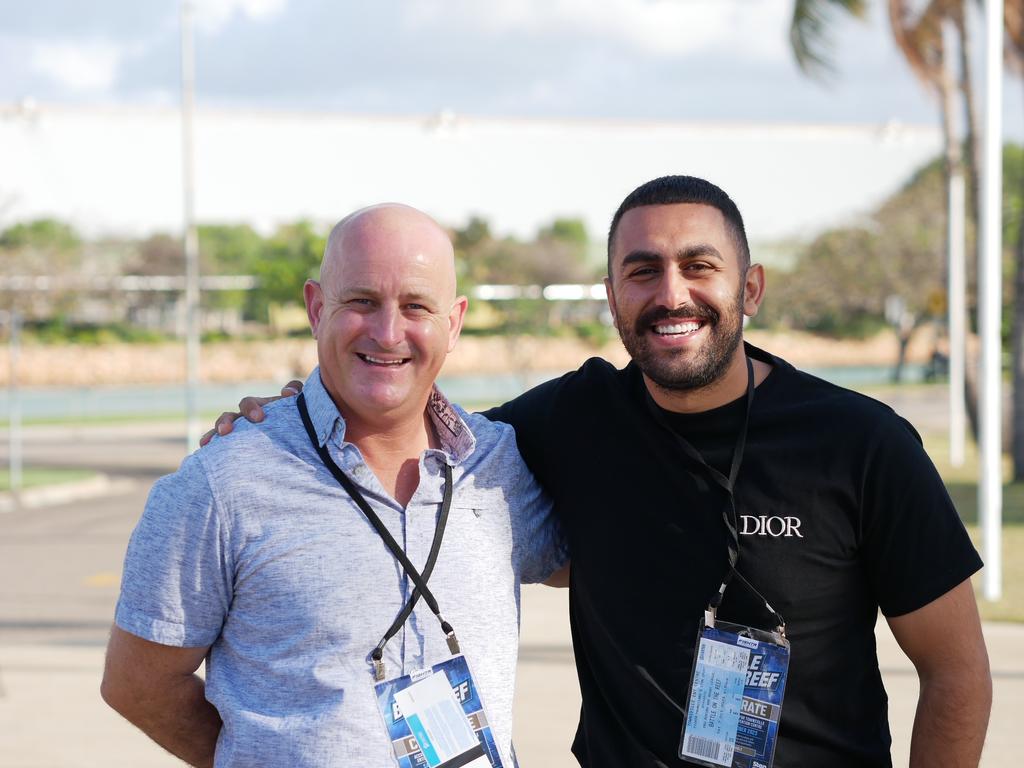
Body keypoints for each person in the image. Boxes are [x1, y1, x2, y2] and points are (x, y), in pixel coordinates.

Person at [212, 176, 992, 767]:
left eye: (700, 267)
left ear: (749, 288)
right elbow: (404, 421)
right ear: (613, 295)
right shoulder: (566, 421)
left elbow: (955, 671)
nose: (672, 294)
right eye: (642, 271)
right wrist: (297, 411)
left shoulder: (861, 444)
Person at [101, 204, 566, 768]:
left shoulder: (499, 466)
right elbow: (138, 685)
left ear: (455, 322)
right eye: (362, 301)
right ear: (317, 307)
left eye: (416, 306)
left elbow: (598, 567)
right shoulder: (222, 483)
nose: (388, 332)